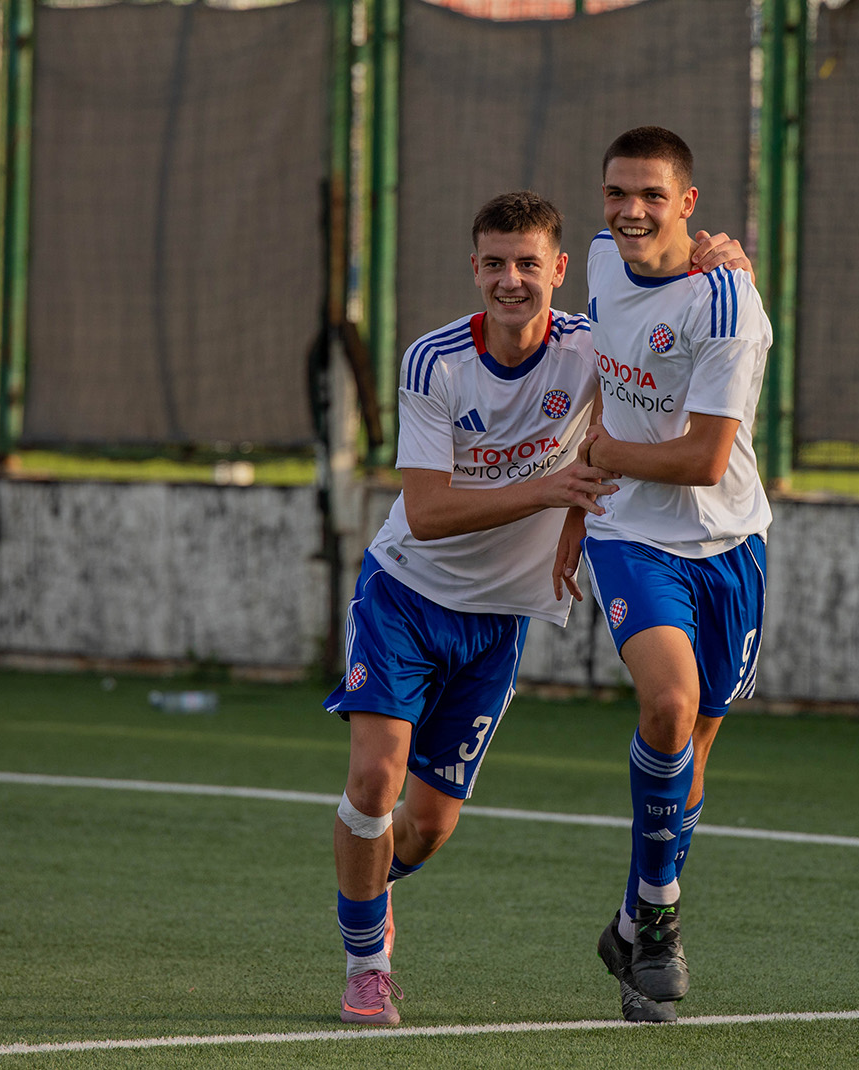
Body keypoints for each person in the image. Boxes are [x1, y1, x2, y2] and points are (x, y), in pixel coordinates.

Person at [324, 189, 749, 1026]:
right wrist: (552, 491)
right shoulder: (433, 362)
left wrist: (725, 263)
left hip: (499, 623)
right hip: (407, 593)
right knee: (374, 780)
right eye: (494, 263)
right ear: (472, 268)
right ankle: (366, 963)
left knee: (428, 829)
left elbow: (670, 341)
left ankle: (361, 882)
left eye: (528, 264)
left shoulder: (594, 346)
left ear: (560, 270)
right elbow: (426, 512)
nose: (510, 281)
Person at [555, 126, 773, 1020]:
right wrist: (577, 502)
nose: (629, 211)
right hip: (628, 533)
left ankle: (631, 916)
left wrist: (603, 450)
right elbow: (609, 374)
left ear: (688, 203)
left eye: (651, 196)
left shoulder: (726, 304)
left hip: (728, 542)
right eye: (616, 194)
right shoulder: (603, 259)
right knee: (668, 706)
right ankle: (661, 924)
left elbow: (705, 458)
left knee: (691, 759)